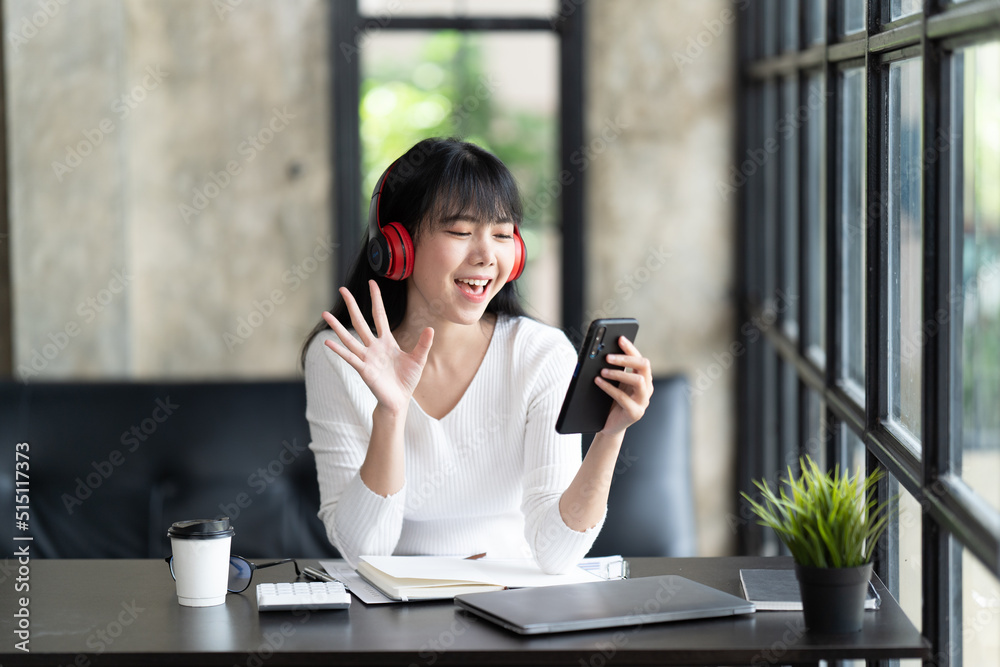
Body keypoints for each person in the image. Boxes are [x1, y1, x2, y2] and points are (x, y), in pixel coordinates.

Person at [301, 138, 652, 573]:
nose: (487, 255)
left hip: (516, 605)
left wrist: (610, 434)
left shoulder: (541, 356)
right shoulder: (340, 355)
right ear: (396, 247)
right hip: (396, 612)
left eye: (503, 235)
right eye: (461, 232)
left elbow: (556, 554)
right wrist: (390, 414)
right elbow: (364, 550)